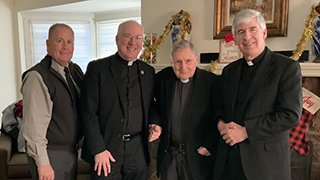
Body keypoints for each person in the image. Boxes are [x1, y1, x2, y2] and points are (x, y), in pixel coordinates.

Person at [213, 9, 302, 180]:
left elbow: (290, 115)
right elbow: (219, 107)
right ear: (236, 39)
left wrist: (246, 131)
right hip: (229, 162)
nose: (247, 36)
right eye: (241, 32)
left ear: (264, 32)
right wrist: (221, 124)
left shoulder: (286, 68)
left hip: (266, 165)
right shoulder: (229, 71)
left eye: (252, 29)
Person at [80, 20, 157, 180]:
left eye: (137, 38)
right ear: (117, 39)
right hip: (106, 148)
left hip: (138, 149)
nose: (132, 42)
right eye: (128, 36)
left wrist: (156, 123)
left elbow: (152, 105)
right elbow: (88, 112)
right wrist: (98, 149)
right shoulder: (97, 68)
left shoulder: (148, 71)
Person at [149, 40, 220, 180]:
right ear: (171, 62)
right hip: (169, 154)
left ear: (196, 60)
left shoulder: (211, 82)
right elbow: (151, 104)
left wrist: (209, 145)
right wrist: (155, 122)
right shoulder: (163, 78)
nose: (183, 67)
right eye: (178, 62)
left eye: (188, 61)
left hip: (197, 155)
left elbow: (220, 115)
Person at [21, 23, 84, 180]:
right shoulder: (37, 77)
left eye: (69, 42)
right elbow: (34, 127)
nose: (65, 47)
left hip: (70, 151)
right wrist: (43, 163)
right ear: (48, 44)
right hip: (51, 154)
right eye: (60, 41)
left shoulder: (74, 71)